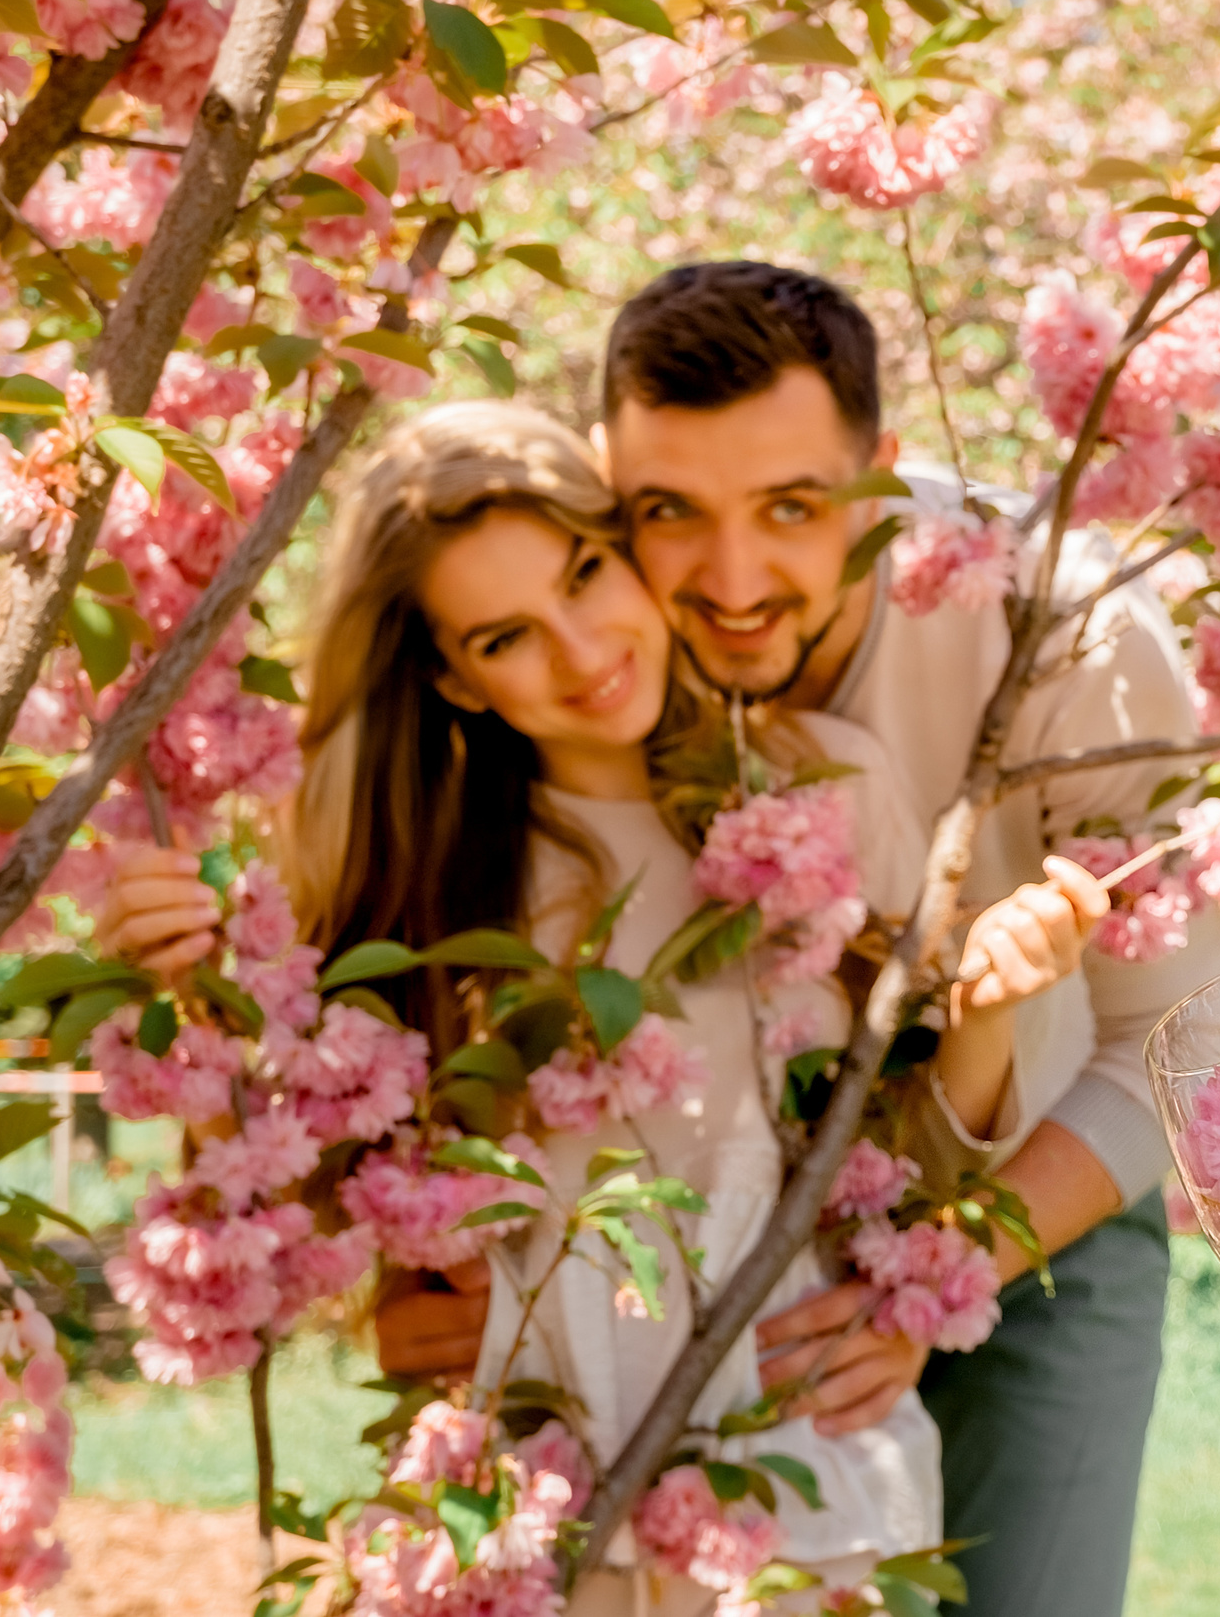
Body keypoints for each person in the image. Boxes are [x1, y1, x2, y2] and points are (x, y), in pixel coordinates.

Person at [98, 401, 1109, 1611]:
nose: (584, 653)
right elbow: (297, 1210)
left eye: (586, 573)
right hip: (530, 1492)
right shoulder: (436, 886)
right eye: (508, 635)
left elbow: (915, 1157)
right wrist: (184, 1007)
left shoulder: (825, 788)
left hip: (806, 1468)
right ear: (452, 678)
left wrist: (986, 1012)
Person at [592, 262, 1220, 1617]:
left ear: (884, 472)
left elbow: (1186, 1030)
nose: (731, 577)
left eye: (792, 507)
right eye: (671, 509)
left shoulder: (1064, 623)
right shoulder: (583, 617)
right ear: (608, 478)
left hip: (1042, 1195)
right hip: (726, 1226)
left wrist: (951, 1267)